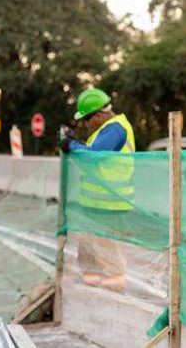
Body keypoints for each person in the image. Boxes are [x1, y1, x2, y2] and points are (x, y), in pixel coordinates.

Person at [59, 88, 136, 293]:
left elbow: (94, 155)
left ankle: (113, 291)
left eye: (86, 119)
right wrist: (77, 144)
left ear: (100, 114)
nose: (84, 124)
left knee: (108, 252)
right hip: (96, 205)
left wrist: (72, 145)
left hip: (109, 205)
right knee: (88, 252)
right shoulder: (105, 131)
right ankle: (91, 288)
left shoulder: (115, 129)